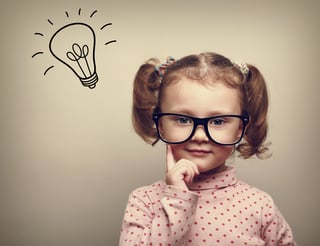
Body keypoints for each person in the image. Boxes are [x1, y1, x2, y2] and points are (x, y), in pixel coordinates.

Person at [119, 52, 296, 245]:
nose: (200, 136)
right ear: (161, 124)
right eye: (183, 119)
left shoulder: (261, 206)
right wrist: (177, 198)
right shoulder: (145, 201)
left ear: (240, 128)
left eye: (218, 121)